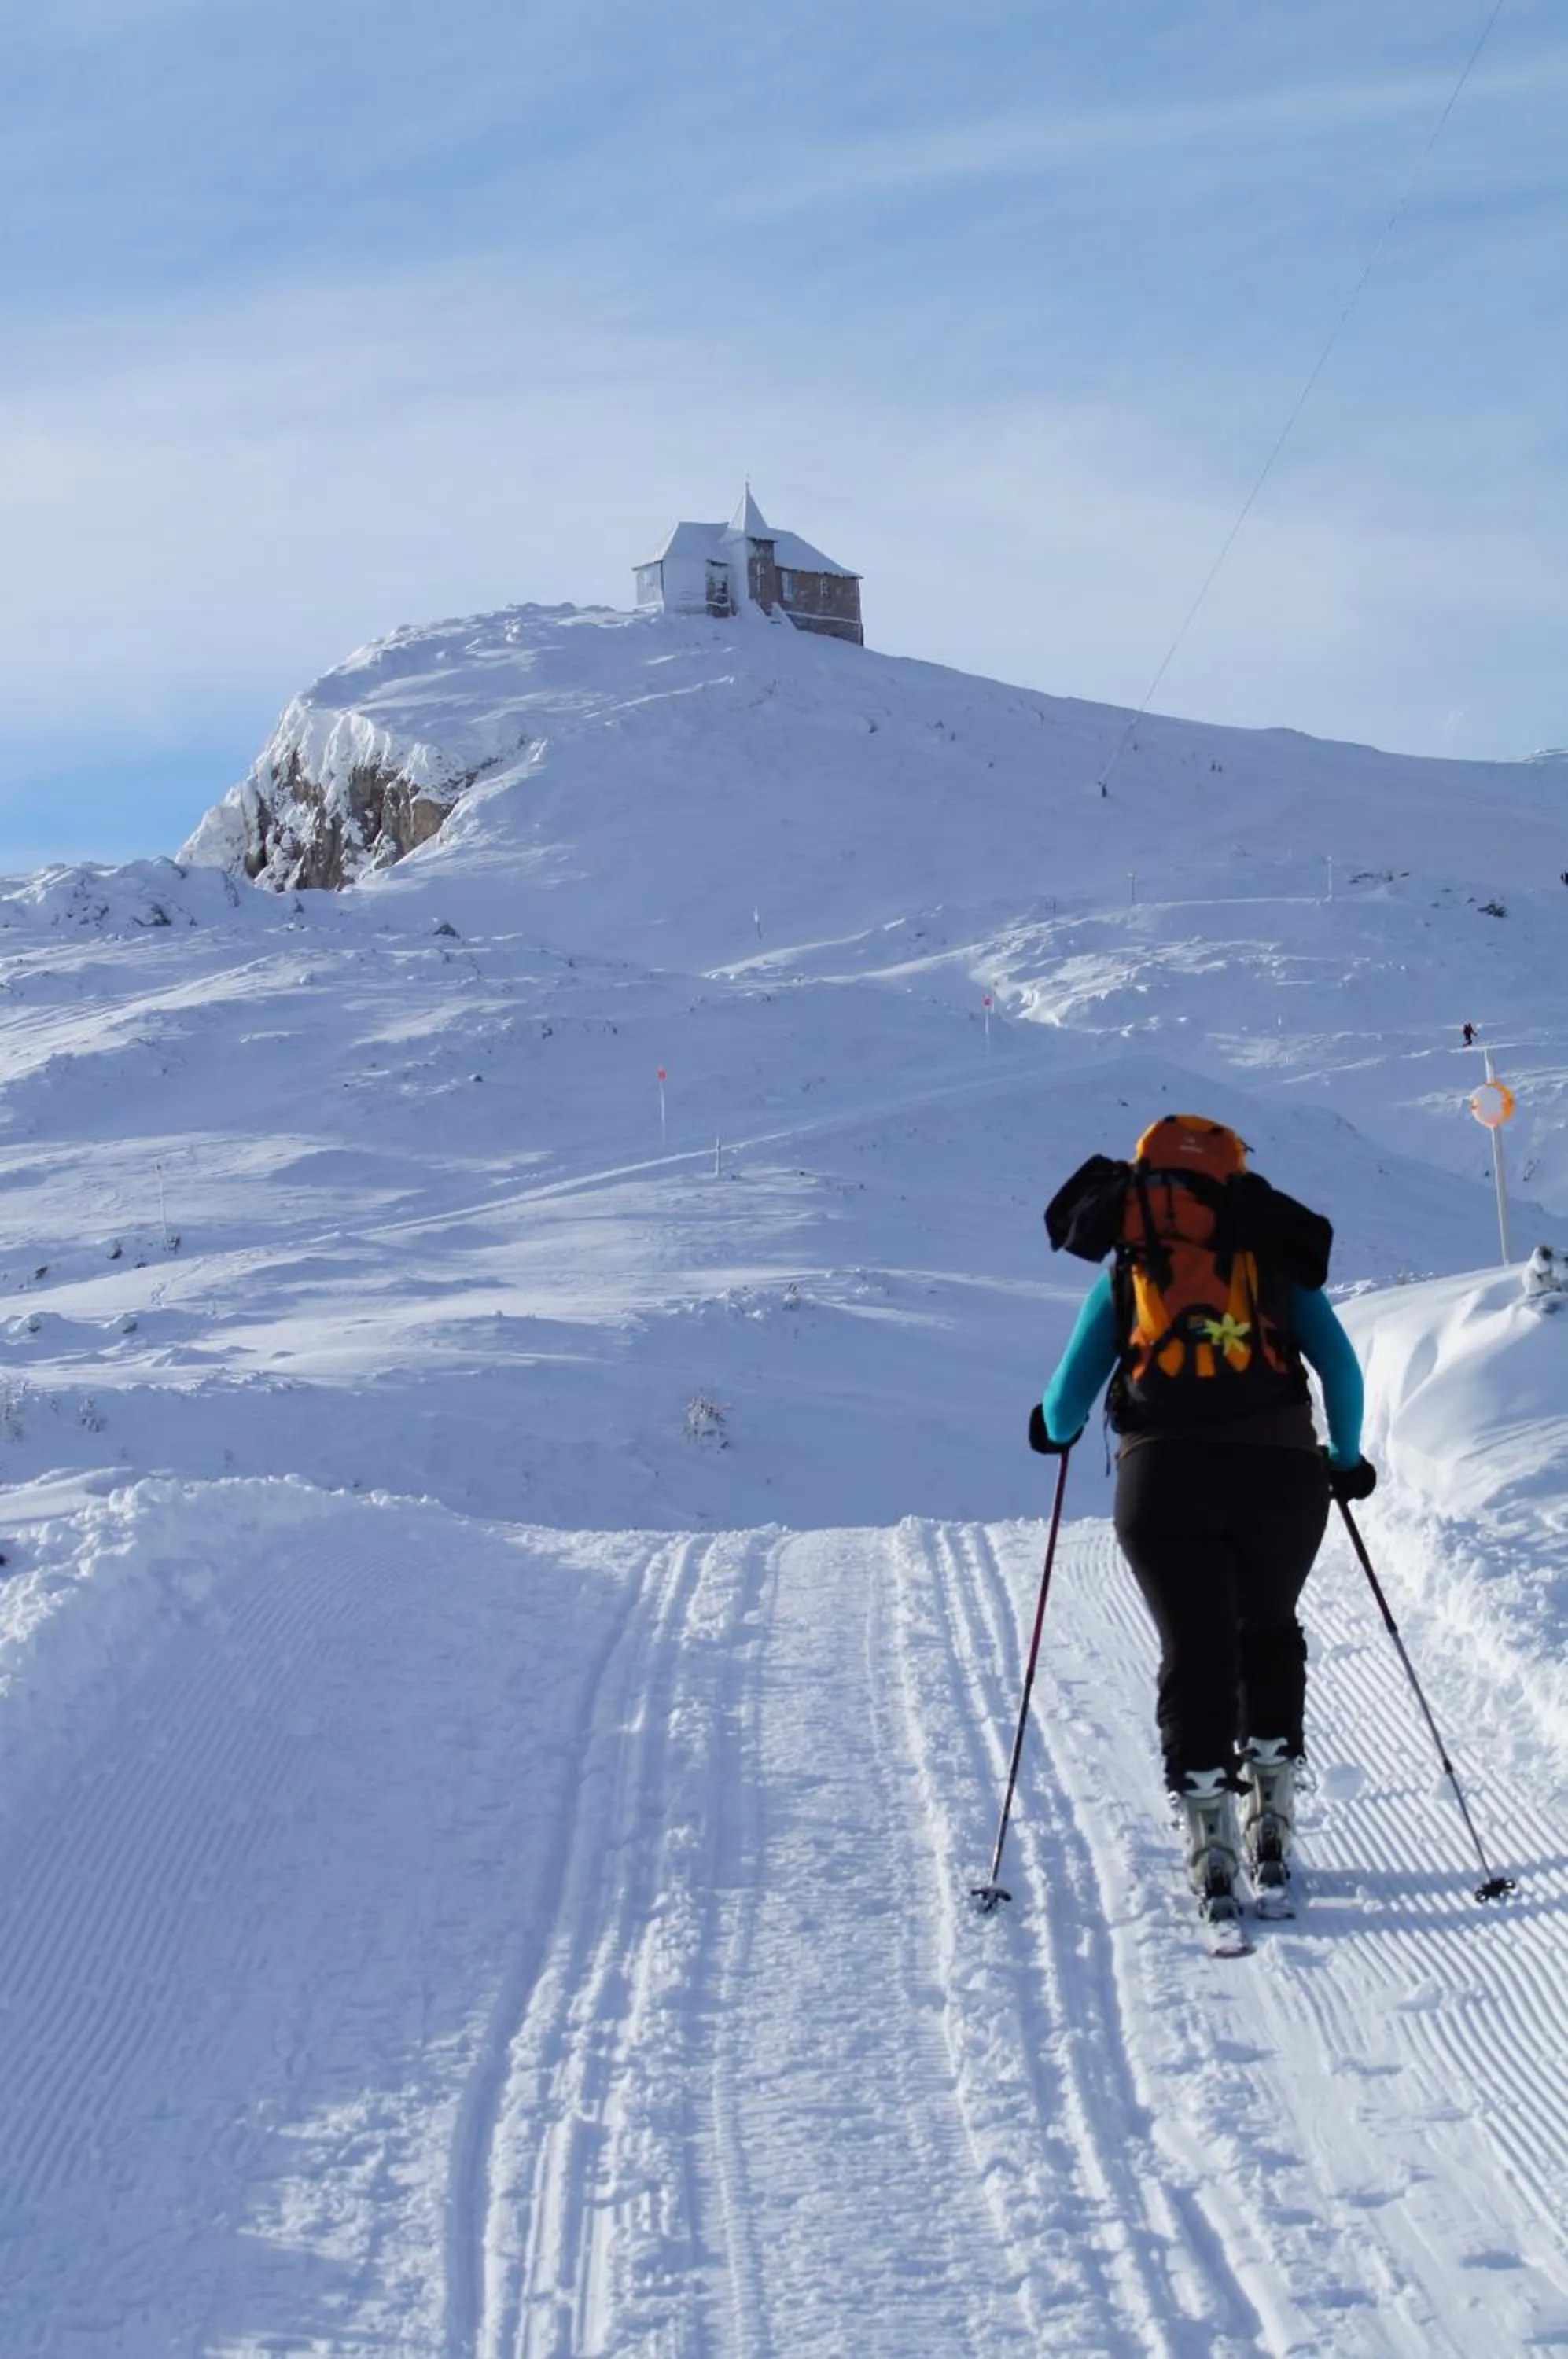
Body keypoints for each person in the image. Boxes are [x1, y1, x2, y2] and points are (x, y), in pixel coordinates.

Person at [1033, 1113, 1374, 1924]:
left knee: (1194, 1647)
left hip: (1161, 1480)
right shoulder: (1275, 1258)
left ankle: (1208, 1841)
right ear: (1234, 1180)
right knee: (1267, 1627)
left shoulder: (1128, 1269)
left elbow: (1065, 1401)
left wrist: (1050, 1429)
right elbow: (1340, 1367)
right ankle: (1271, 1817)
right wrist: (1343, 1458)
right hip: (1282, 1475)